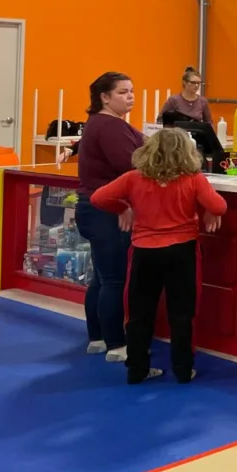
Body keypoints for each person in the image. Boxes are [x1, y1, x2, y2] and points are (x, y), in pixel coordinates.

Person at [91, 129, 227, 384]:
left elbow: (99, 197)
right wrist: (210, 212)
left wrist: (123, 207)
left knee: (139, 314)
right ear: (187, 151)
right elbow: (219, 206)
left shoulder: (133, 178)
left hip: (144, 252)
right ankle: (183, 370)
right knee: (183, 313)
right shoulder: (193, 179)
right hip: (182, 252)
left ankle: (137, 370)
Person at [74, 72, 145, 361]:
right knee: (113, 279)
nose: (130, 96)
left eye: (131, 91)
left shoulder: (104, 124)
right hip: (107, 210)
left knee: (101, 279)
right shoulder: (109, 126)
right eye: (123, 92)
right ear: (104, 97)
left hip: (93, 209)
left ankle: (98, 337)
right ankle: (116, 345)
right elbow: (130, 164)